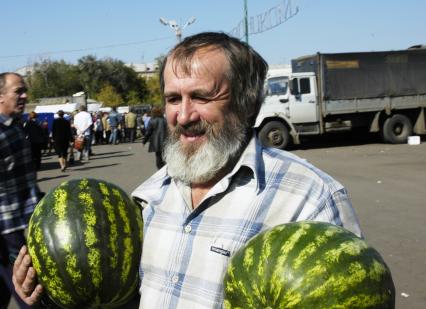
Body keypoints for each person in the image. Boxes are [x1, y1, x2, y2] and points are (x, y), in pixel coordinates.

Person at [12, 32, 361, 308]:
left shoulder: (309, 198)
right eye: (173, 99)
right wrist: (53, 297)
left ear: (247, 103)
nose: (184, 116)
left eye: (202, 97)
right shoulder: (148, 197)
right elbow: (123, 299)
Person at [0, 72, 40, 309]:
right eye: (18, 91)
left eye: (25, 90)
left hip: (21, 221)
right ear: (1, 96)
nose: (24, 96)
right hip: (6, 232)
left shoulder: (14, 126)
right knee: (30, 292)